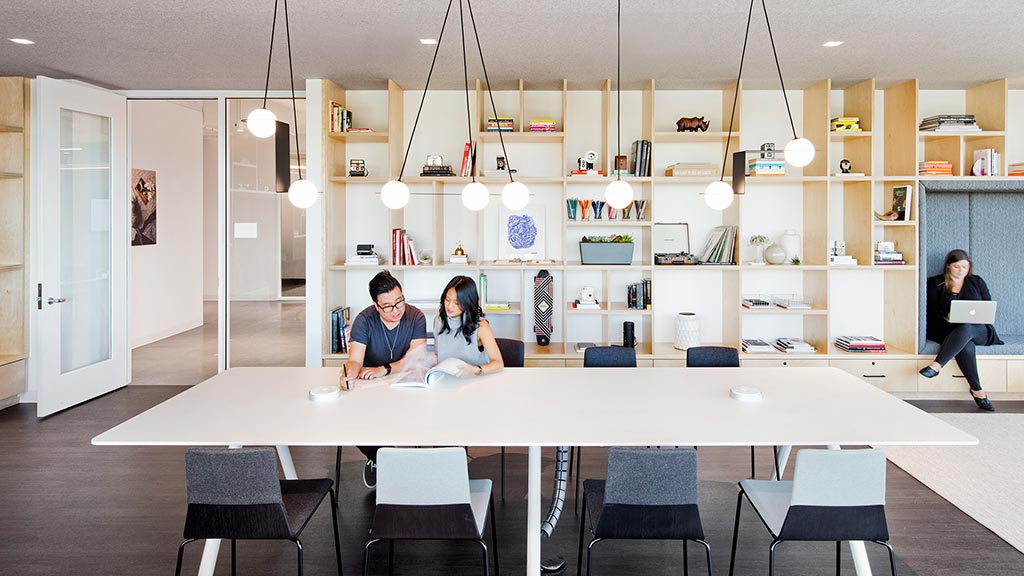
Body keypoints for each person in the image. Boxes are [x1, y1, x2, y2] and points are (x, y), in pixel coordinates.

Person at [342, 270, 428, 487]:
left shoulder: (416, 316)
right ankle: (378, 457)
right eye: (388, 306)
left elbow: (416, 358)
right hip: (371, 385)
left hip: (405, 382)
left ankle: (401, 460)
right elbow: (355, 361)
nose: (396, 310)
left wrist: (385, 369)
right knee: (351, 420)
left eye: (399, 302)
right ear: (376, 305)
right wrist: (348, 375)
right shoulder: (364, 320)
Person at [921, 249, 1003, 411]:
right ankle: (977, 390)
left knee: (967, 327)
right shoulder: (935, 283)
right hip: (949, 330)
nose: (961, 271)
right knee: (965, 344)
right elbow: (930, 311)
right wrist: (948, 316)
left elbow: (987, 307)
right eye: (957, 267)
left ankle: (937, 365)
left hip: (980, 329)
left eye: (964, 267)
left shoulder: (976, 281)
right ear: (948, 266)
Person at [435, 276, 504, 376]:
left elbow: (498, 365)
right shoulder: (438, 321)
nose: (449, 306)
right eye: (447, 299)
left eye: (457, 303)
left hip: (475, 382)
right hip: (447, 380)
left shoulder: (481, 327)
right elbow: (438, 356)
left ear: (468, 303)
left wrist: (476, 370)